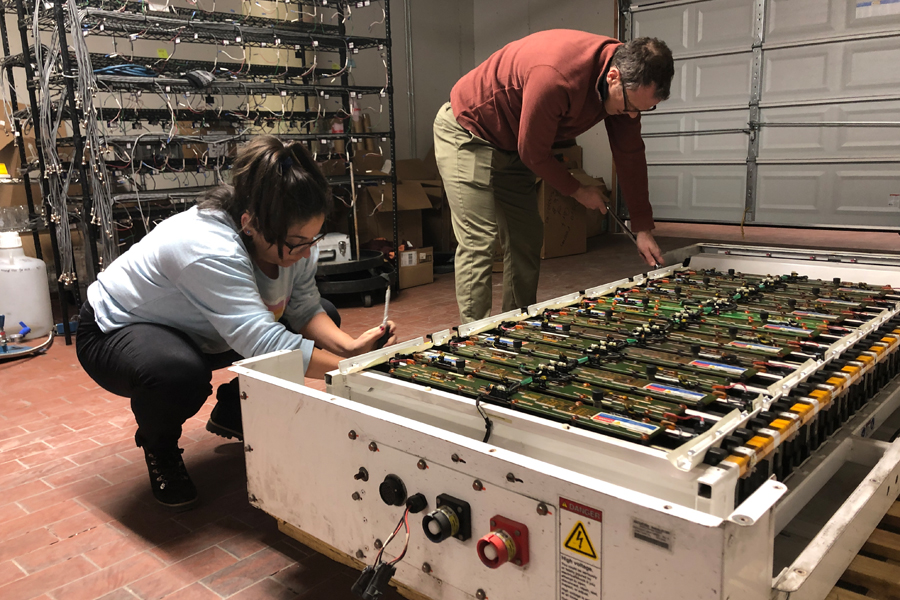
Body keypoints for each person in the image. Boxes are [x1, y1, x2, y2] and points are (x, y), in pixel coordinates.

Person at [76, 136, 396, 511]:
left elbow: (306, 307)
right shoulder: (206, 247)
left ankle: (235, 407)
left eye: (314, 239)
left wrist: (351, 348)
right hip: (116, 331)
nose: (308, 251)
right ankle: (159, 446)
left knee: (327, 315)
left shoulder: (292, 232)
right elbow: (262, 341)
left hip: (205, 330)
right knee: (178, 375)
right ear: (250, 224)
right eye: (298, 243)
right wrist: (352, 371)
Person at [433, 31, 675, 324]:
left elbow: (630, 154)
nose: (632, 115)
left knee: (526, 236)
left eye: (643, 110)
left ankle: (516, 323)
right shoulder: (556, 76)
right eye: (631, 106)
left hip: (513, 143)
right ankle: (473, 338)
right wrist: (578, 190)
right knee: (480, 239)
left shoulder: (626, 86)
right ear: (613, 77)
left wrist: (643, 227)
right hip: (468, 131)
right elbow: (533, 152)